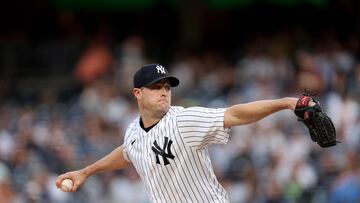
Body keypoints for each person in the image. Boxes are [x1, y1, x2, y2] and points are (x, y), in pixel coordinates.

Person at [55, 63, 300, 203]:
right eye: (155, 87)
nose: (164, 92)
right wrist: (85, 172)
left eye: (166, 87)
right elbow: (129, 151)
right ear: (137, 93)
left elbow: (234, 114)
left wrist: (287, 102)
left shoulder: (183, 120)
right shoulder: (133, 130)